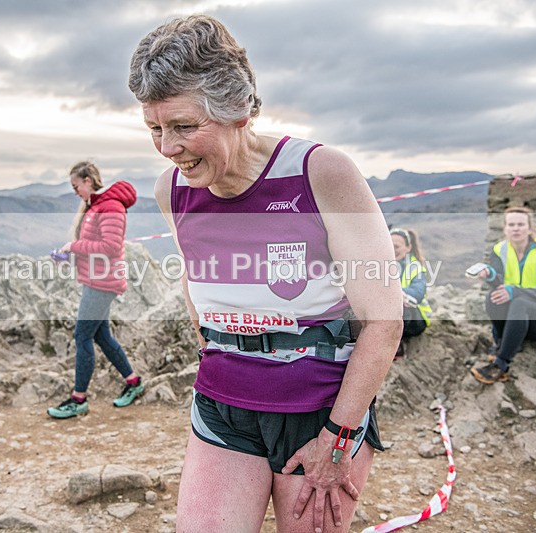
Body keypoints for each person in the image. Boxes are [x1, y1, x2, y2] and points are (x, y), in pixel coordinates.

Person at [128, 15, 402, 532]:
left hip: (320, 411)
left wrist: (339, 437)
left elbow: (384, 320)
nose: (167, 147)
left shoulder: (322, 173)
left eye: (184, 126)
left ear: (238, 111)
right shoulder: (173, 189)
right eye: (155, 129)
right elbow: (196, 280)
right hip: (223, 404)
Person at [46, 161, 145, 418]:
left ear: (88, 180)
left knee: (82, 336)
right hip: (96, 279)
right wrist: (70, 254)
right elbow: (96, 244)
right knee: (101, 336)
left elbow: (111, 247)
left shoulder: (110, 207)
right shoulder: (97, 206)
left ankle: (78, 399)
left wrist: (74, 247)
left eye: (76, 185)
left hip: (103, 282)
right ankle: (133, 382)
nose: (75, 191)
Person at [470, 207, 536, 384]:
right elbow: (499, 283)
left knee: (520, 302)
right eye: (511, 224)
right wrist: (490, 275)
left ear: (530, 228)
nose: (516, 228)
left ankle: (501, 364)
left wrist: (514, 291)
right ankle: (503, 343)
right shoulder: (499, 250)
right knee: (493, 297)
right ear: (505, 229)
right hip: (519, 318)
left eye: (521, 224)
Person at [390, 228, 433, 357]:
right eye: (389, 245)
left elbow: (418, 293)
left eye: (396, 246)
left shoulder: (415, 267)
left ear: (408, 248)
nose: (392, 249)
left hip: (416, 318)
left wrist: (397, 294)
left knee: (402, 308)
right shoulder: (380, 265)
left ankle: (395, 346)